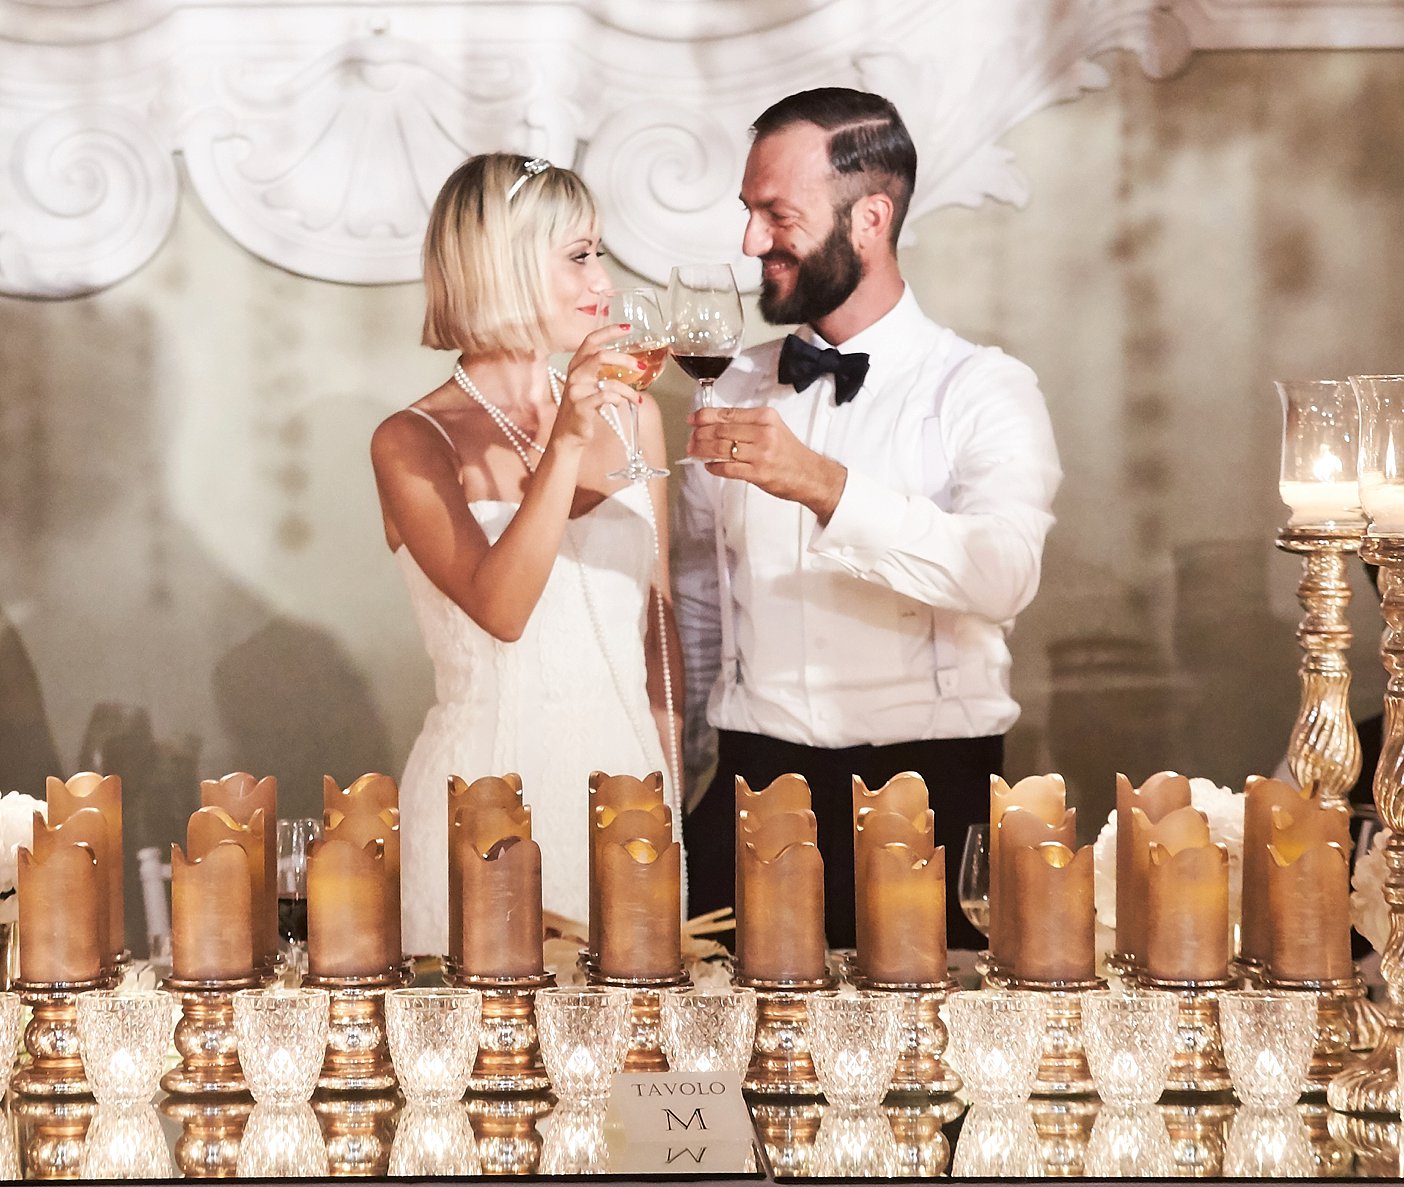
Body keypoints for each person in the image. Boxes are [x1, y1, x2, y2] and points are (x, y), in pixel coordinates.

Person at [675, 89, 1061, 950]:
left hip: (927, 795)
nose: (751, 243)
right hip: (750, 785)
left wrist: (824, 486)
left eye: (778, 215)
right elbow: (701, 595)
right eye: (749, 212)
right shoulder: (730, 384)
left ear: (870, 218)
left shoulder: (984, 389)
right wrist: (679, 771)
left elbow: (1002, 577)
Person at [371, 153, 682, 956]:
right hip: (485, 800)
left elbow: (659, 635)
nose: (604, 280)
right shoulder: (411, 441)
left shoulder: (636, 418)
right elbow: (502, 609)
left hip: (628, 800)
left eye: (600, 253)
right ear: (502, 264)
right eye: (579, 255)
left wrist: (669, 798)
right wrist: (566, 441)